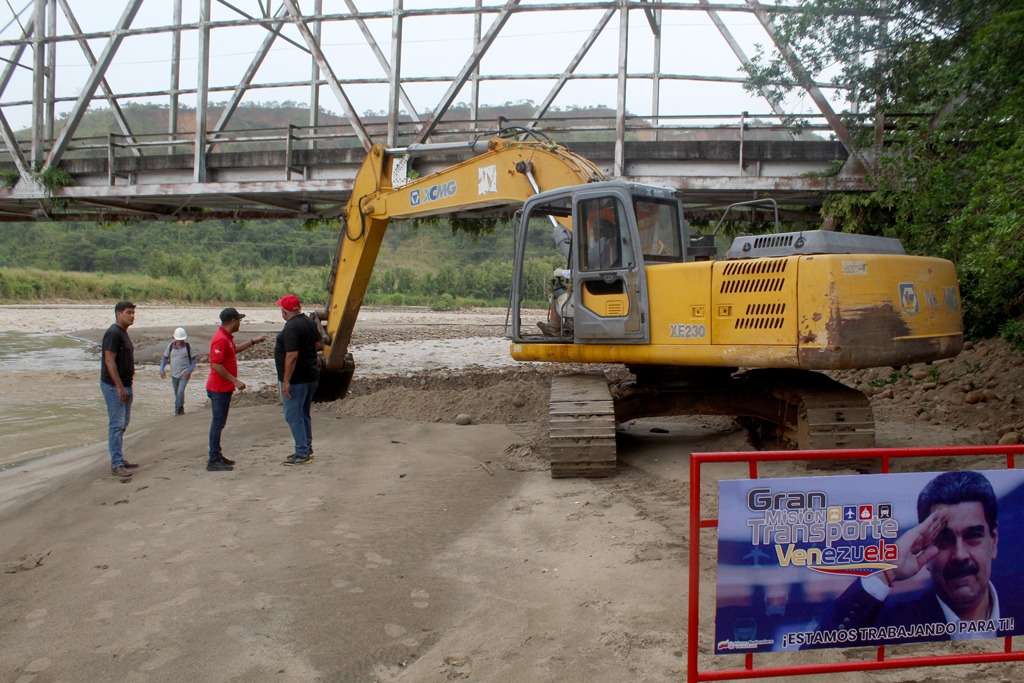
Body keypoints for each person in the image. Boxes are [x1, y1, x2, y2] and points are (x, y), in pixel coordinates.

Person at [819, 471, 1023, 642]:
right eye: (944, 539)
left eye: (973, 537)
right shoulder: (894, 625)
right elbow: (817, 654)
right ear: (923, 547)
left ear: (993, 541)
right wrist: (887, 571)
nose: (960, 555)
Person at [205, 307, 267, 472]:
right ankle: (213, 459)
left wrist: (253, 341)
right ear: (233, 321)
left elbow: (234, 350)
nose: (240, 323)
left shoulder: (226, 338)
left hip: (223, 388)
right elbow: (215, 364)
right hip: (218, 388)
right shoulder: (220, 339)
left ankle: (217, 455)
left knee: (220, 423)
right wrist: (235, 381)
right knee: (217, 424)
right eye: (239, 320)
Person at [273, 294, 321, 465]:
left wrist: (286, 381)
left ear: (285, 311)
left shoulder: (292, 327)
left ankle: (302, 453)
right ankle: (306, 448)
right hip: (311, 376)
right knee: (303, 414)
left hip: (297, 379)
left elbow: (292, 355)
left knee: (293, 415)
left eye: (281, 309)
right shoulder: (309, 322)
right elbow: (317, 344)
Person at [100, 300, 138, 479]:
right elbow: (109, 360)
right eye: (128, 312)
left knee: (123, 424)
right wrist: (119, 387)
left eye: (133, 313)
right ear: (118, 314)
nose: (132, 316)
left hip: (125, 384)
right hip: (114, 386)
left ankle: (120, 458)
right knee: (117, 425)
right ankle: (116, 464)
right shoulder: (113, 333)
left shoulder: (123, 333)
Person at [159, 327, 198, 416]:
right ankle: (181, 408)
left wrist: (189, 371)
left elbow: (194, 361)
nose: (180, 341)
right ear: (174, 338)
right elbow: (164, 358)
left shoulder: (188, 347)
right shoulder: (170, 346)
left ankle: (176, 412)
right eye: (178, 339)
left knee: (180, 392)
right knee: (177, 394)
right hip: (174, 374)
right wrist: (161, 369)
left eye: (182, 339)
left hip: (184, 374)